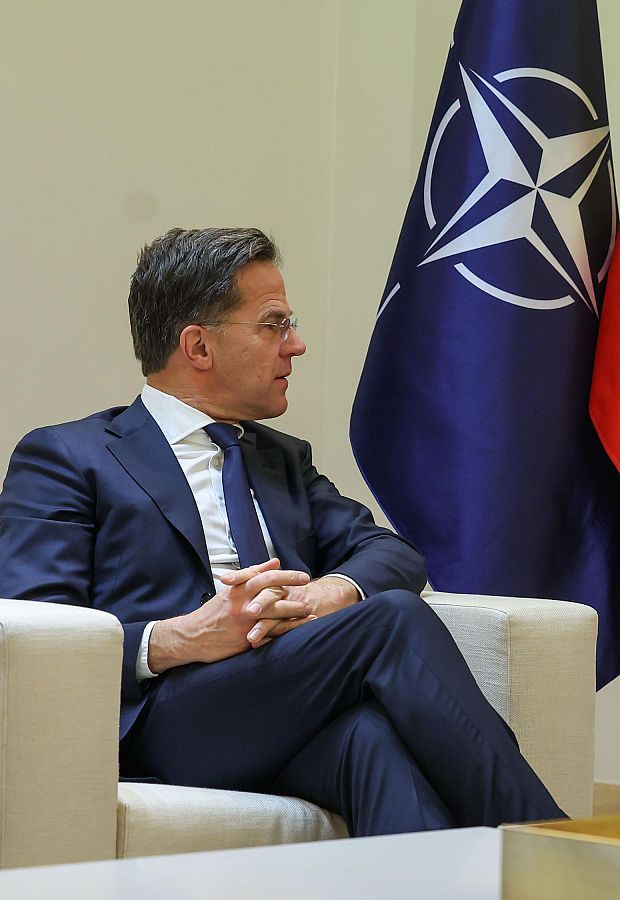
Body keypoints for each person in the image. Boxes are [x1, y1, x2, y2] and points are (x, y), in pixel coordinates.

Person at [0, 227, 565, 835]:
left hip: (280, 701)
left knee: (370, 740)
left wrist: (330, 592)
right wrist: (179, 638)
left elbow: (391, 553)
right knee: (393, 620)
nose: (296, 345)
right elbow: (35, 632)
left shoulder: (280, 460)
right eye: (274, 325)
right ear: (198, 347)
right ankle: (558, 853)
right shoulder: (69, 457)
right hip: (161, 723)